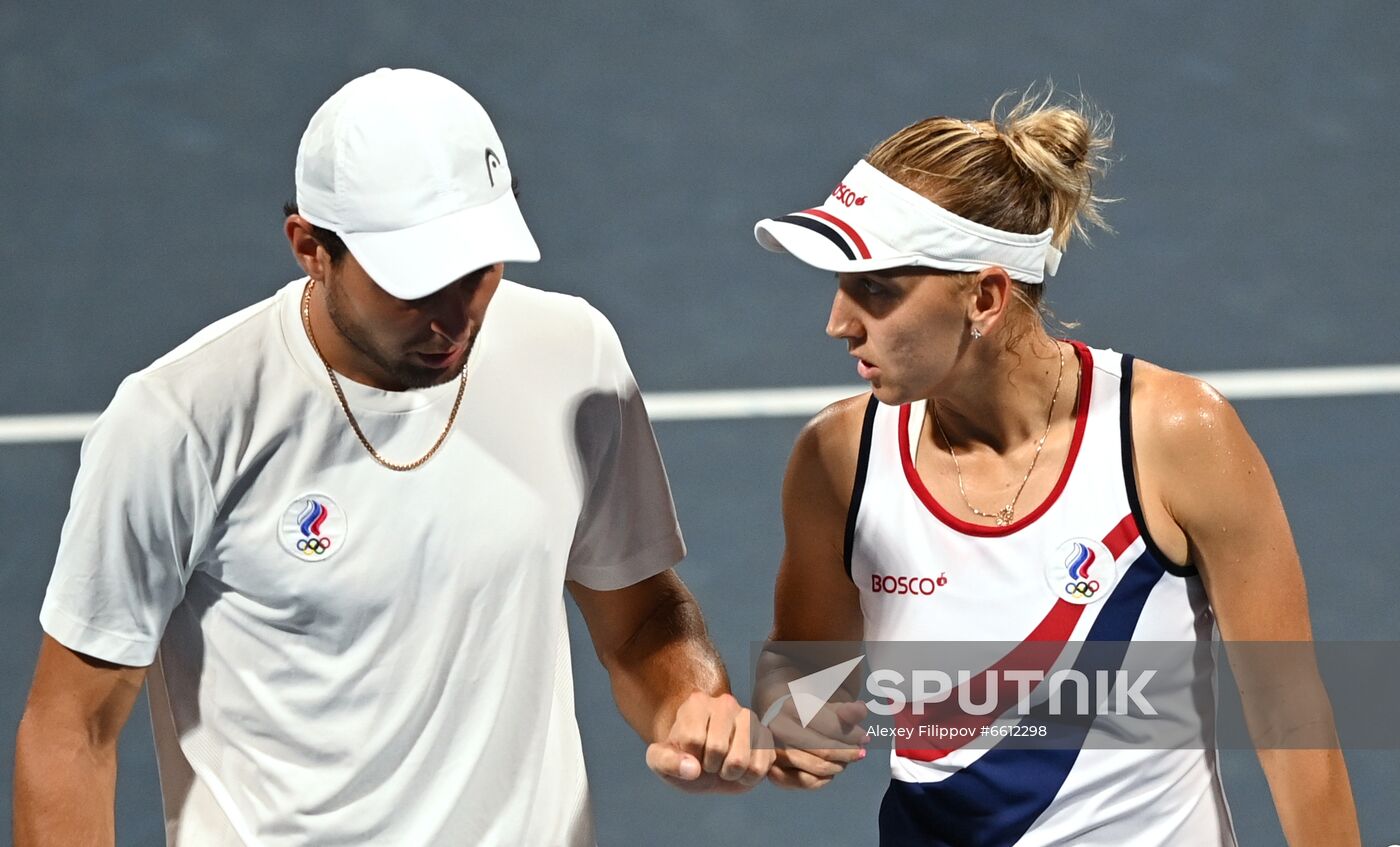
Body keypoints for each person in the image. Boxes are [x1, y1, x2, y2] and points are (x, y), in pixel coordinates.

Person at [14, 67, 771, 847]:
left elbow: (639, 612)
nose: (455, 316)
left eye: (478, 272)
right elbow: (71, 728)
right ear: (310, 248)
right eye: (415, 284)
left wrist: (690, 703)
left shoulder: (574, 355)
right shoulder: (180, 420)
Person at [752, 91, 1361, 845]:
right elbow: (806, 669)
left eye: (875, 288)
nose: (838, 322)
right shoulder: (838, 456)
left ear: (984, 296)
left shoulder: (1171, 435)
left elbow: (1289, 715)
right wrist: (791, 721)